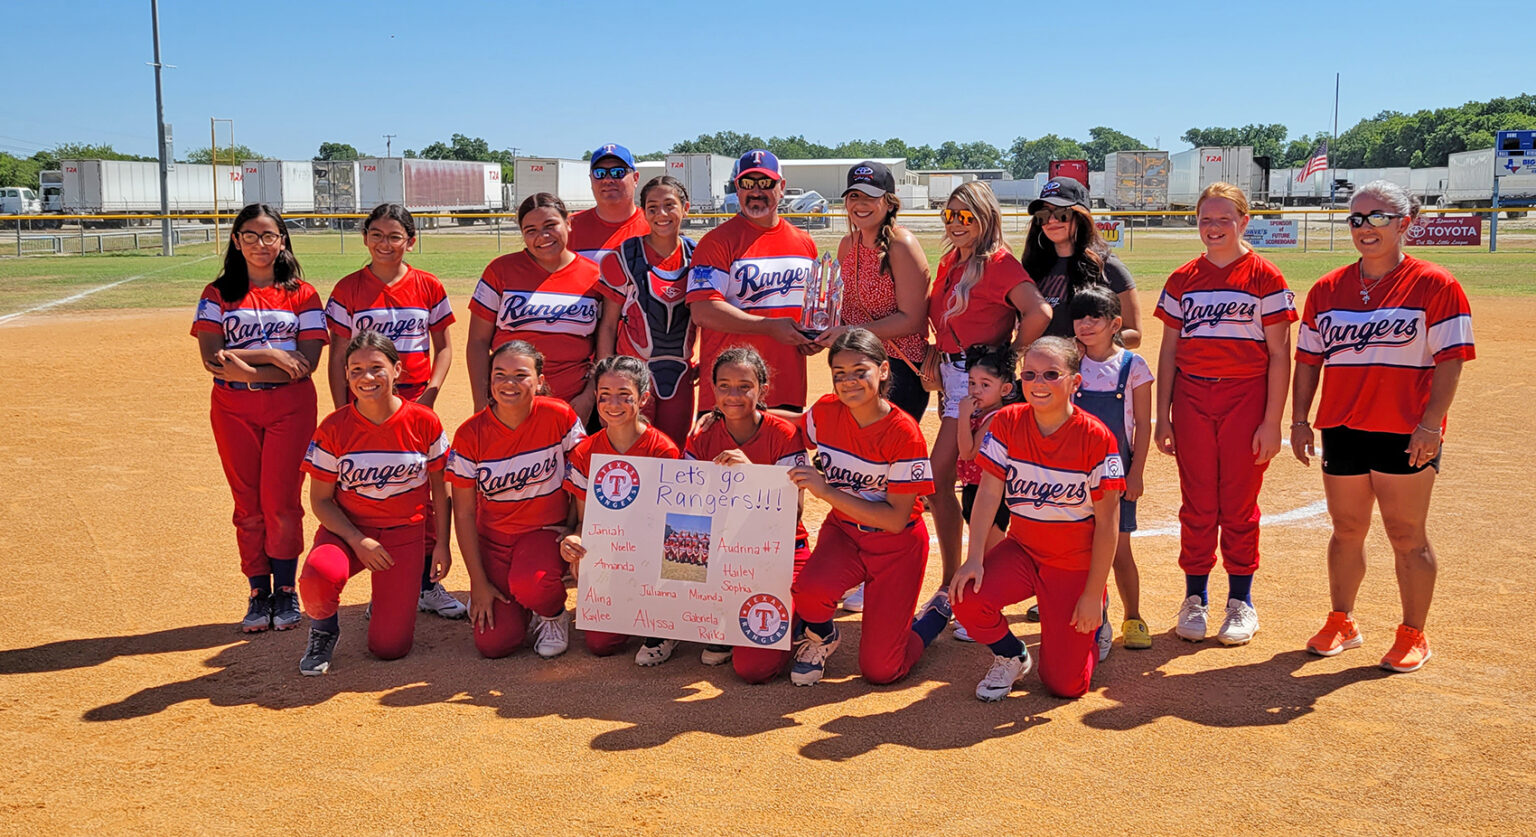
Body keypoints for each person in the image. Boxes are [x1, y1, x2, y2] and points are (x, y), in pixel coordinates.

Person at [1291, 180, 1474, 673]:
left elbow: (1452, 360)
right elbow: (1308, 361)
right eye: (1356, 219)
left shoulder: (1435, 284)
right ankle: (1342, 621)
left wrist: (1431, 425)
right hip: (1343, 426)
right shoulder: (1328, 289)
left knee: (1405, 533)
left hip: (1404, 428)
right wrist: (1301, 420)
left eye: (1377, 218)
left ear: (1403, 223)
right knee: (1347, 528)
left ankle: (1413, 632)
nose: (1365, 228)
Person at [1153, 182, 1295, 646]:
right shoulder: (1182, 278)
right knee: (1197, 502)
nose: (1214, 228)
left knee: (1237, 502)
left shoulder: (1264, 276)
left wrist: (1272, 421)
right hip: (1192, 398)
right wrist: (1163, 415)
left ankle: (1241, 601)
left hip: (1245, 397)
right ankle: (1195, 597)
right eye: (1205, 220)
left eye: (1224, 220)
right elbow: (1170, 350)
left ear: (1244, 222)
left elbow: (1279, 354)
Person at [950, 337, 1125, 700]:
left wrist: (1092, 593)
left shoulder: (1095, 437)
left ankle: (1099, 618)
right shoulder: (1009, 422)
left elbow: (1108, 524)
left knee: (1065, 685)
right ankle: (1011, 655)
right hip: (1025, 551)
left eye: (1051, 374)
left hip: (1073, 565)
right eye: (1029, 374)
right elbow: (987, 493)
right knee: (966, 594)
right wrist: (974, 557)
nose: (1038, 383)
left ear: (1075, 382)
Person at [325, 203, 464, 620]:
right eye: (377, 235)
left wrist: (432, 394)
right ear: (365, 238)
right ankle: (385, 586)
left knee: (424, 493)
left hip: (417, 400)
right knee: (374, 494)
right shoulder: (349, 288)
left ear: (411, 241)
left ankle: (426, 584)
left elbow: (444, 347)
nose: (385, 244)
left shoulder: (427, 285)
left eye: (395, 236)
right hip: (364, 404)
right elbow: (336, 356)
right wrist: (341, 408)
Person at [191, 203, 325, 634]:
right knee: (247, 502)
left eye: (269, 236)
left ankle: (285, 590)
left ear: (282, 240)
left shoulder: (302, 294)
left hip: (290, 405)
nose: (260, 244)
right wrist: (268, 355)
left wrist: (247, 368)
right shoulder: (217, 293)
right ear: (236, 240)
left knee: (281, 501)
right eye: (250, 235)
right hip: (233, 407)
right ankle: (257, 591)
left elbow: (306, 363)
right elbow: (213, 358)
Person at [787, 329, 947, 687]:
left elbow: (893, 520)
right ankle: (822, 636)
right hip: (844, 533)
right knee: (810, 593)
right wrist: (742, 414)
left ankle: (933, 617)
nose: (849, 381)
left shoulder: (903, 433)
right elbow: (793, 427)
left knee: (881, 671)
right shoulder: (827, 411)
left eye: (860, 370)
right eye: (839, 374)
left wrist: (826, 491)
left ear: (884, 370)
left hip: (897, 546)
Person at [922, 181, 1051, 602]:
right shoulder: (949, 262)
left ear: (985, 216)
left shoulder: (998, 262)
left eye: (965, 215)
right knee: (963, 477)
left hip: (979, 388)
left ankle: (961, 580)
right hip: (951, 379)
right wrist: (934, 353)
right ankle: (963, 576)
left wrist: (1009, 353)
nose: (956, 223)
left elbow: (1039, 311)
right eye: (949, 215)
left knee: (949, 475)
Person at [296, 332, 451, 675]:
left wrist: (440, 544)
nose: (366, 378)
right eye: (356, 370)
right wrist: (357, 540)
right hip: (349, 530)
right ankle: (323, 630)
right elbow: (320, 501)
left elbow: (441, 491)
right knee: (319, 575)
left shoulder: (424, 421)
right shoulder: (335, 427)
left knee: (390, 648)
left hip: (404, 534)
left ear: (397, 370)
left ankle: (384, 602)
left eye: (376, 368)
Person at [448, 340, 586, 660]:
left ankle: (551, 613)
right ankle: (525, 603)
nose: (509, 383)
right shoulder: (471, 433)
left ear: (539, 381)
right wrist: (478, 583)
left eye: (520, 375)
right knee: (494, 644)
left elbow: (583, 475)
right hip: (494, 541)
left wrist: (575, 526)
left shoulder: (558, 415)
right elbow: (465, 513)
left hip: (544, 534)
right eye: (500, 374)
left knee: (532, 583)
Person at [684, 347, 811, 682]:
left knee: (754, 668)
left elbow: (794, 512)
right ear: (712, 389)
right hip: (723, 553)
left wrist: (750, 474)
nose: (734, 395)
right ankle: (719, 616)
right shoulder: (703, 433)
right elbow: (682, 505)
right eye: (724, 386)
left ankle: (808, 626)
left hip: (778, 553)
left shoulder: (784, 434)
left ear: (762, 388)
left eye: (745, 386)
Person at [560, 355, 683, 661]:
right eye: (604, 395)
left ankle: (665, 624)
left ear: (643, 398)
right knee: (601, 644)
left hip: (653, 554)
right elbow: (585, 520)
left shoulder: (662, 450)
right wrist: (576, 541)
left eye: (624, 395)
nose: (613, 404)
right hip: (612, 558)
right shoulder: (585, 451)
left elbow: (671, 523)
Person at [687, 149, 820, 414]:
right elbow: (703, 311)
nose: (756, 191)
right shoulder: (716, 243)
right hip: (729, 391)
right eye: (748, 183)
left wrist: (812, 338)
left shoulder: (804, 244)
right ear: (738, 188)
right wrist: (769, 327)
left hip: (787, 384)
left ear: (781, 187)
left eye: (766, 183)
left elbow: (811, 310)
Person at [467, 193, 621, 419]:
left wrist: (590, 396)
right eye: (531, 230)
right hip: (510, 401)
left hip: (574, 403)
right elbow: (478, 342)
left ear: (568, 223)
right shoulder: (500, 271)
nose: (543, 236)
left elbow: (604, 344)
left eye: (551, 225)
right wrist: (481, 402)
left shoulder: (595, 276)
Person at [1070, 285, 1154, 655]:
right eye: (1080, 318)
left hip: (1116, 472)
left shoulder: (1132, 366)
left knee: (1119, 550)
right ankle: (1093, 616)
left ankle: (1133, 616)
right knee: (1077, 549)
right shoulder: (1069, 363)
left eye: (1096, 318)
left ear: (1115, 323)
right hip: (1073, 471)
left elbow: (1144, 425)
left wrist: (1136, 473)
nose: (1086, 325)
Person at [812, 161, 931, 420]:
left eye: (870, 196)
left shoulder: (902, 244)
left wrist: (851, 332)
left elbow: (912, 320)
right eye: (854, 196)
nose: (860, 204)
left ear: (889, 202)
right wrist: (819, 334)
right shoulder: (848, 244)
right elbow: (845, 312)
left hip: (897, 372)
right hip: (854, 367)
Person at [598, 175, 697, 446]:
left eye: (669, 205)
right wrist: (604, 377)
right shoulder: (625, 257)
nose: (661, 214)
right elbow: (608, 324)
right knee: (631, 449)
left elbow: (707, 316)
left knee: (672, 452)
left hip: (679, 373)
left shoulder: (698, 257)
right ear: (643, 212)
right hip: (631, 375)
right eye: (652, 207)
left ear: (685, 207)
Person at [1021, 176, 1142, 345]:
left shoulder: (1108, 267)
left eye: (1062, 213)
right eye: (1043, 214)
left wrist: (1086, 344)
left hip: (1091, 370)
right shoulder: (1031, 268)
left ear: (1080, 217)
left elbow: (1134, 335)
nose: (1052, 220)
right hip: (1044, 370)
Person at [951, 345, 1019, 642]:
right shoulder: (984, 414)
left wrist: (962, 414)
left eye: (985, 385)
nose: (976, 390)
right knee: (984, 552)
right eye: (971, 384)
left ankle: (982, 614)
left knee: (989, 556)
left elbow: (967, 451)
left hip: (991, 494)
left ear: (1005, 389)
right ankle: (979, 612)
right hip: (973, 488)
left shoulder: (995, 417)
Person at [569, 143, 649, 264]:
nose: (607, 180)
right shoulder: (568, 228)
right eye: (599, 173)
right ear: (591, 179)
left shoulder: (654, 226)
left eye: (618, 172)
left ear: (635, 178)